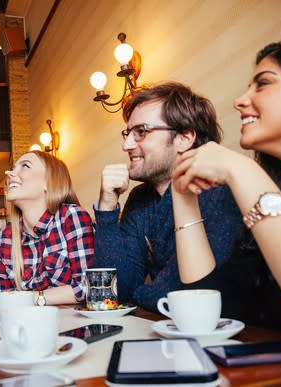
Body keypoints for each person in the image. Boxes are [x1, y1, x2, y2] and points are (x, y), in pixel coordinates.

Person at [172, 35, 281, 338]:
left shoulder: (251, 182)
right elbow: (215, 308)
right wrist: (182, 195)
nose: (239, 100)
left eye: (263, 83)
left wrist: (240, 168)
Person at [93, 82, 244, 312]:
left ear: (184, 138)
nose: (126, 145)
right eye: (128, 133)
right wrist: (106, 209)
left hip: (234, 337)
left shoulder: (217, 190)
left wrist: (137, 295)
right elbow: (113, 293)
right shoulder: (140, 198)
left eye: (141, 132)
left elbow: (181, 296)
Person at [0, 151, 95, 305]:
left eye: (25, 166)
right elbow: (2, 302)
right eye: (12, 168)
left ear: (49, 182)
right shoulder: (1, 239)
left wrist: (31, 298)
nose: (10, 174)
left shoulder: (71, 217)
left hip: (75, 327)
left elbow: (88, 288)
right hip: (26, 327)